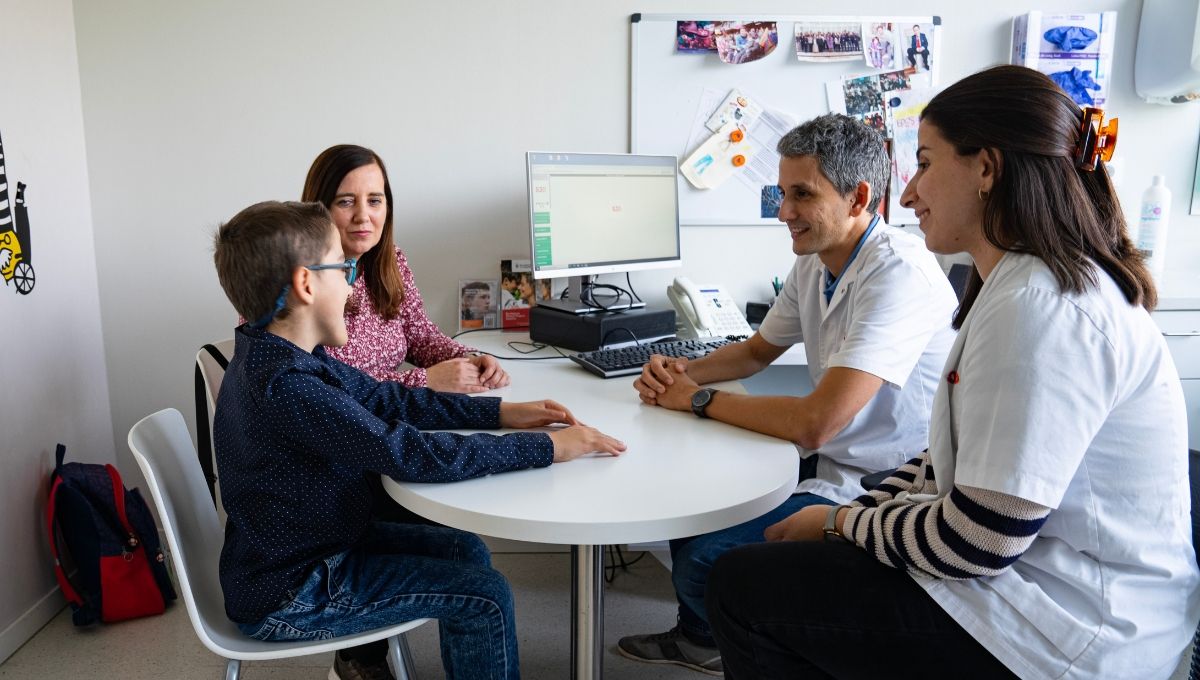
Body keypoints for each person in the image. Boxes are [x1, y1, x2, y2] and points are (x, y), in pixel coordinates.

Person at [705, 65, 1200, 679]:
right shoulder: (1016, 284)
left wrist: (839, 523)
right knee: (769, 565)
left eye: (926, 163)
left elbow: (978, 542)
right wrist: (860, 511)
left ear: (986, 168)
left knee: (740, 585)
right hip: (1022, 574)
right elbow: (949, 464)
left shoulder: (1042, 308)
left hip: (1067, 628)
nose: (909, 194)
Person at [212, 200, 626, 680]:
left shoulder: (286, 353)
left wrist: (502, 412)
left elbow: (389, 399)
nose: (352, 284)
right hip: (297, 589)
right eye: (344, 268)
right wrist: (550, 448)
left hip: (305, 553)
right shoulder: (289, 387)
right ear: (307, 284)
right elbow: (411, 454)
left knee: (466, 551)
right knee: (485, 599)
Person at [617, 113, 958, 675]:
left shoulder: (898, 274)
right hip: (831, 457)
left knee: (707, 559)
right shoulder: (815, 261)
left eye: (802, 195)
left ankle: (727, 636)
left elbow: (814, 424)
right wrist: (682, 372)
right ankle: (702, 636)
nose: (783, 212)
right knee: (687, 499)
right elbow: (754, 353)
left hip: (887, 482)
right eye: (781, 193)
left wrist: (696, 401)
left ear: (859, 198)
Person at [303, 144, 507, 394]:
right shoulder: (295, 277)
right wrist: (424, 380)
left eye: (374, 201)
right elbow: (317, 384)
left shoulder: (392, 260)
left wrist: (469, 358)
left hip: (400, 412)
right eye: (346, 202)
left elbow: (419, 336)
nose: (363, 216)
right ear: (318, 207)